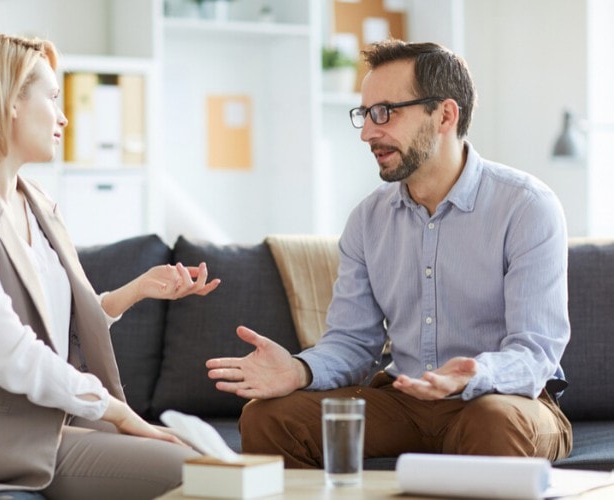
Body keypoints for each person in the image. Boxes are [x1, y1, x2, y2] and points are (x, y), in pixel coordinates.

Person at [206, 39, 572, 467]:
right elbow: (352, 341)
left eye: (385, 113)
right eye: (364, 115)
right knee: (268, 418)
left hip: (505, 401)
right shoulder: (368, 218)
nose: (367, 133)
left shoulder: (527, 206)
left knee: (493, 421)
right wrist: (299, 370)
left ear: (445, 115)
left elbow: (535, 353)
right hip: (403, 402)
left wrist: (476, 374)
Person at [0, 32, 219, 499]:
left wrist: (135, 291)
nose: (65, 116)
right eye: (52, 97)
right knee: (194, 469)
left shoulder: (37, 205)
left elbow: (58, 325)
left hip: (48, 419)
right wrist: (117, 412)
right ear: (9, 101)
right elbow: (12, 354)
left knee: (210, 456)